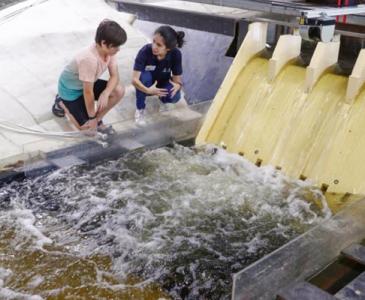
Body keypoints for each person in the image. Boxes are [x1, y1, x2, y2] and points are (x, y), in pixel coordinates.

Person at [52, 19, 127, 134]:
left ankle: (98, 120)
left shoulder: (109, 52)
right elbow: (88, 92)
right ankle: (61, 102)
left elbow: (115, 77)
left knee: (118, 90)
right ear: (103, 43)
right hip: (70, 91)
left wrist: (105, 93)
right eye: (116, 47)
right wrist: (91, 118)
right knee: (88, 132)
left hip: (87, 83)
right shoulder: (89, 59)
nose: (118, 49)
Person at [132, 25, 185, 125]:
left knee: (175, 96)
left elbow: (177, 79)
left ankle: (164, 101)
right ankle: (140, 110)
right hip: (146, 84)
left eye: (159, 45)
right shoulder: (145, 51)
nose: (154, 46)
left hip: (162, 80)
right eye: (153, 42)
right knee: (144, 77)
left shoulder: (176, 54)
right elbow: (134, 80)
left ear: (168, 48)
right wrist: (148, 90)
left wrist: (177, 85)